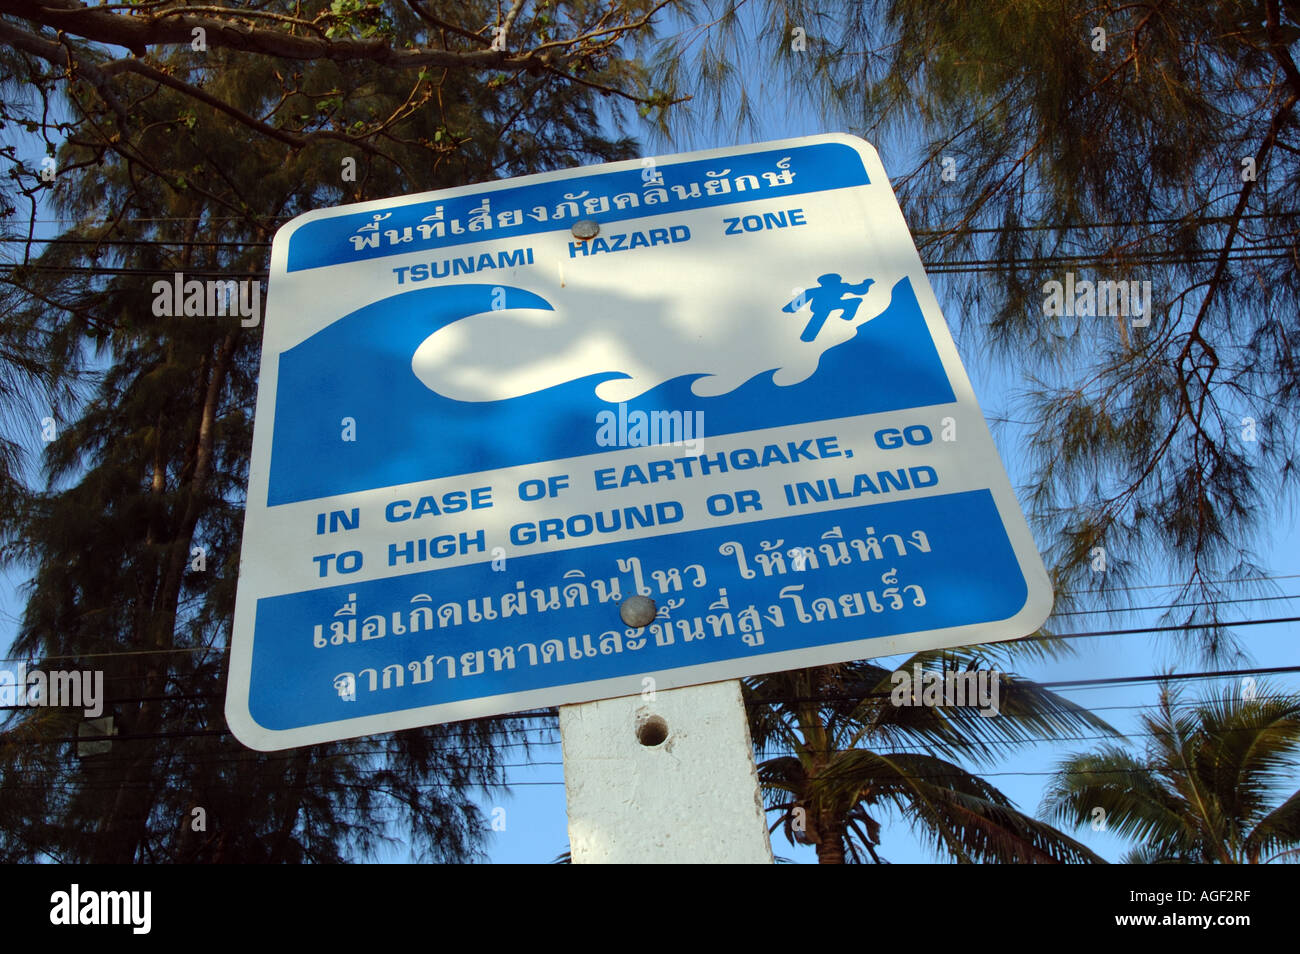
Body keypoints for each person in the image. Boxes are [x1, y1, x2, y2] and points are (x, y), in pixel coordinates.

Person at [782, 273, 875, 342]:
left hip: (830, 304)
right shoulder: (819, 290)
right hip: (822, 306)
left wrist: (866, 284)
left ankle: (849, 311)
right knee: (818, 319)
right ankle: (808, 336)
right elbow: (805, 296)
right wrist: (791, 308)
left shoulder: (840, 286)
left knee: (818, 319)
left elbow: (858, 290)